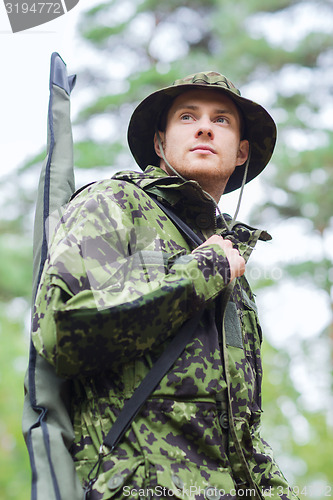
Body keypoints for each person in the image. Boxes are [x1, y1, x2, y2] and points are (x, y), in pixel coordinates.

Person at [31, 71, 298, 500]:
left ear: (242, 151)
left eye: (223, 120)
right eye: (188, 117)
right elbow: (62, 330)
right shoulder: (114, 203)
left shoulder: (233, 268)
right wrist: (204, 270)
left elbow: (242, 432)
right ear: (160, 144)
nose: (205, 127)